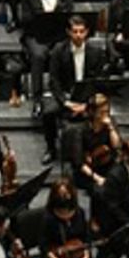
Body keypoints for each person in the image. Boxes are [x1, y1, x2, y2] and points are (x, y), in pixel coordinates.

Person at [18, 0, 77, 118]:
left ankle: (66, 91)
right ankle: (37, 98)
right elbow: (25, 20)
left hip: (58, 33)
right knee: (38, 55)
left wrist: (58, 12)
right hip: (37, 34)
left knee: (65, 51)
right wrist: (44, 16)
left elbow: (70, 11)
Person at [42, 14, 105, 162]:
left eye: (81, 31)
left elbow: (98, 81)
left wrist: (87, 104)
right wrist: (66, 102)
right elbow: (54, 80)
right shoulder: (58, 50)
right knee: (48, 112)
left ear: (87, 32)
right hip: (66, 96)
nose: (78, 35)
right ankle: (51, 148)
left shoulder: (96, 52)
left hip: (87, 97)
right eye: (75, 31)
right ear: (69, 32)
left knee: (103, 109)